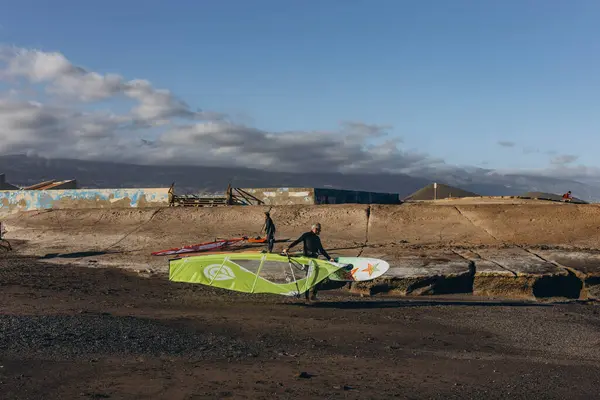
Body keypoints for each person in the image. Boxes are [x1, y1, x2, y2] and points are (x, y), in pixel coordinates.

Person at [283, 222, 333, 303]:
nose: (319, 231)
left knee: (321, 275)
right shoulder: (306, 235)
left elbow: (322, 250)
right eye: (319, 230)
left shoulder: (317, 238)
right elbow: (297, 241)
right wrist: (288, 248)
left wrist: (329, 258)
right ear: (315, 229)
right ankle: (307, 298)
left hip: (315, 260)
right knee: (308, 278)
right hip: (307, 260)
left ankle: (313, 295)